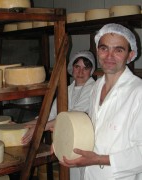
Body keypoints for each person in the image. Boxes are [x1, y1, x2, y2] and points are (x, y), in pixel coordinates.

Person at [60, 23, 142, 180]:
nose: (109, 56)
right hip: (90, 174)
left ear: (130, 55)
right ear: (97, 51)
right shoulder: (97, 86)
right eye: (104, 48)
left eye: (118, 50)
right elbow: (89, 129)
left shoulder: (138, 93)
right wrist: (65, 140)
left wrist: (99, 159)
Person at [21, 50, 96, 179]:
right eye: (77, 66)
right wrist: (22, 125)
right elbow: (49, 116)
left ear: (91, 70)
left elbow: (71, 118)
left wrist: (38, 129)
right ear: (71, 68)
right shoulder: (66, 90)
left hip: (86, 143)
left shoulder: (93, 89)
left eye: (86, 68)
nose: (80, 72)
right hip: (68, 140)